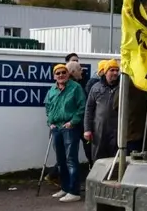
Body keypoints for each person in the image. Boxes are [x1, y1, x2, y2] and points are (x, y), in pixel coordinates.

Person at [44, 62, 85, 202]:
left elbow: (81, 107)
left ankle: (74, 191)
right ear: (54, 76)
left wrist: (72, 122)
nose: (61, 75)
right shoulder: (52, 90)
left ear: (68, 74)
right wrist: (50, 122)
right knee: (61, 160)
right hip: (56, 129)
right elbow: (48, 107)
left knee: (71, 160)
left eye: (63, 72)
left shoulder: (76, 88)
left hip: (70, 128)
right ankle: (65, 188)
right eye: (58, 73)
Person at [84, 59, 120, 161]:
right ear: (105, 72)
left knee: (115, 160)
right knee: (98, 158)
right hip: (99, 130)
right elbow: (88, 109)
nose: (115, 73)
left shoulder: (122, 87)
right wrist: (87, 129)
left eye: (117, 70)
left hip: (117, 131)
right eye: (112, 70)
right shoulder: (96, 88)